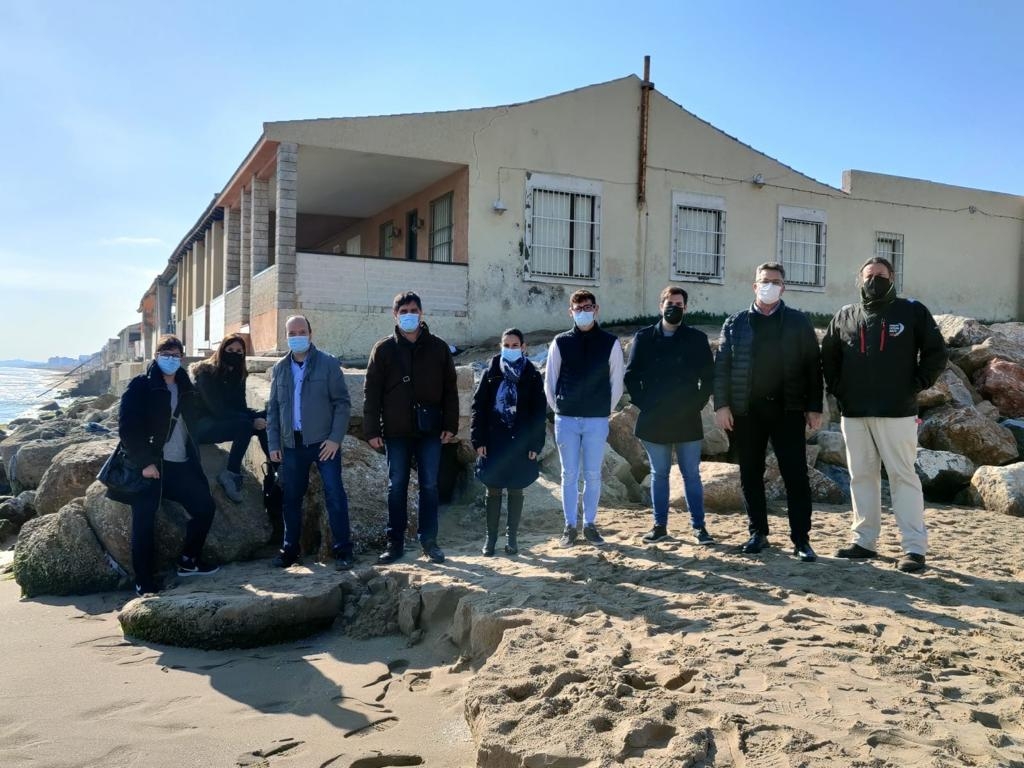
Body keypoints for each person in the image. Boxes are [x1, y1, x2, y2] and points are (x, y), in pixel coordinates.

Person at [821, 256, 947, 573]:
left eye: (881, 275)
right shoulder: (845, 316)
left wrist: (917, 383)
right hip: (855, 413)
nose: (874, 279)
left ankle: (914, 549)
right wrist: (839, 390)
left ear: (892, 278)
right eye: (869, 275)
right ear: (859, 279)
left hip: (897, 412)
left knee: (903, 477)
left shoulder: (911, 311)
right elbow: (829, 357)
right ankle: (864, 542)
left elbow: (936, 351)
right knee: (861, 477)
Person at [713, 262, 823, 562]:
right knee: (750, 473)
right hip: (746, 412)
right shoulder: (734, 324)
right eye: (764, 281)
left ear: (783, 287)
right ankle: (758, 532)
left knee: (796, 476)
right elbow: (721, 368)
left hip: (788, 410)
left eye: (775, 281)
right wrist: (721, 405)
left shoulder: (799, 322)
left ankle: (801, 539)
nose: (769, 286)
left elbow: (814, 367)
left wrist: (814, 407)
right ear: (754, 285)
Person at [118, 334, 219, 595]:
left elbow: (202, 417)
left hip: (180, 464)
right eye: (165, 353)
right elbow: (128, 428)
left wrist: (248, 421)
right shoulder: (141, 385)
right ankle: (144, 581)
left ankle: (189, 561)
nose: (171, 359)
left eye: (175, 355)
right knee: (144, 522)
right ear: (156, 355)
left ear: (182, 357)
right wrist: (144, 463)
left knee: (205, 507)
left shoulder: (186, 385)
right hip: (152, 465)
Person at [364, 291, 459, 565]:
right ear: (395, 315)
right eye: (403, 311)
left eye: (413, 310)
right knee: (397, 487)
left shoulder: (439, 348)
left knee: (429, 485)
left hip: (430, 429)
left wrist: (450, 424)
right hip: (396, 431)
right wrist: (372, 431)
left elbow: (450, 389)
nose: (409, 315)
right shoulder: (383, 350)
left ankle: (429, 542)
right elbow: (372, 393)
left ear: (422, 313)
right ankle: (394, 543)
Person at [624, 286, 715, 545]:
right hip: (655, 417)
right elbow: (631, 375)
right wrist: (645, 403)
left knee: (691, 474)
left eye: (679, 303)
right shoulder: (643, 338)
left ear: (685, 308)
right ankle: (659, 526)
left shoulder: (696, 338)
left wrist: (697, 403)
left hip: (687, 416)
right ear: (661, 305)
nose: (674, 307)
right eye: (669, 302)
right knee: (659, 473)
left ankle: (699, 527)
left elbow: (708, 377)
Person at [266, 315, 354, 570]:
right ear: (286, 336)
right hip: (292, 445)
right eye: (291, 333)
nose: (296, 336)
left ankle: (343, 550)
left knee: (335, 494)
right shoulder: (279, 368)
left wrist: (335, 439)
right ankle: (290, 550)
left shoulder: (328, 364)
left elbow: (342, 403)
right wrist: (274, 444)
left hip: (324, 444)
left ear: (310, 333)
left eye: (301, 331)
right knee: (291, 498)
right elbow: (272, 409)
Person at [544, 289, 625, 548]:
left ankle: (589, 524)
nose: (583, 312)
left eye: (587, 307)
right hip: (566, 419)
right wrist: (560, 408)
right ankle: (569, 526)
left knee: (592, 474)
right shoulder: (560, 342)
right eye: (578, 309)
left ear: (596, 309)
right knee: (569, 474)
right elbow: (550, 381)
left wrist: (603, 409)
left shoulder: (610, 342)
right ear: (571, 312)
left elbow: (617, 382)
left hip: (596, 420)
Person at [470, 328, 546, 556]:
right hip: (494, 440)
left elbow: (538, 413)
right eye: (506, 345)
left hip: (520, 442)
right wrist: (478, 439)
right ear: (500, 346)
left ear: (523, 347)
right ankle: (490, 539)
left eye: (515, 345)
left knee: (516, 488)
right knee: (492, 488)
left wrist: (535, 445)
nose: (510, 349)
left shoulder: (532, 375)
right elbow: (478, 408)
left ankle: (512, 538)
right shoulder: (491, 372)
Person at [189, 334, 273, 503]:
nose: (234, 354)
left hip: (221, 421)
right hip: (200, 426)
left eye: (239, 351)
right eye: (230, 350)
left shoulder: (239, 374)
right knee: (245, 425)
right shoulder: (205, 373)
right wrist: (251, 422)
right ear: (222, 350)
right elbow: (217, 410)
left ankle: (276, 467)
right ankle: (231, 474)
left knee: (266, 416)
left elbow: (240, 407)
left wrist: (258, 418)